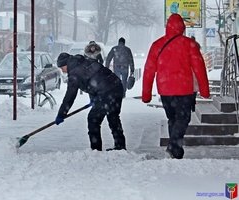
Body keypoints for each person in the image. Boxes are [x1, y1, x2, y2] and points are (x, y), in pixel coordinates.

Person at [141, 14, 210, 159]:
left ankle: (175, 151)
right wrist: (204, 90)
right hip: (184, 90)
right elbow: (199, 67)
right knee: (183, 119)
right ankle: (174, 145)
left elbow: (148, 70)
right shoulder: (188, 44)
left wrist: (146, 94)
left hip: (165, 91)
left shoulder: (157, 45)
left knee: (172, 118)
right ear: (182, 28)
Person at [55, 52, 126, 151]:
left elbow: (70, 96)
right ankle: (120, 146)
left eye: (62, 68)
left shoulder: (74, 74)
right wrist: (93, 99)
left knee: (93, 120)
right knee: (113, 117)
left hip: (106, 93)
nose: (62, 71)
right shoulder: (84, 61)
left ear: (65, 64)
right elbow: (94, 79)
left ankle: (96, 150)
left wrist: (61, 114)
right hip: (116, 86)